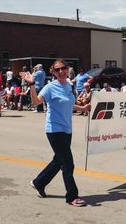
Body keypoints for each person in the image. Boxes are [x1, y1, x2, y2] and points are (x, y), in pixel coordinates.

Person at [22, 59, 90, 207]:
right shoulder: (49, 87)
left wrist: (83, 108)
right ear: (53, 72)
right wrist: (32, 84)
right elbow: (36, 103)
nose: (61, 72)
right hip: (54, 130)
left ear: (67, 69)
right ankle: (72, 196)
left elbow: (69, 104)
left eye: (63, 68)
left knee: (59, 160)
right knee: (68, 164)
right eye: (57, 69)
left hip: (67, 129)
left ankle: (38, 182)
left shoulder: (69, 85)